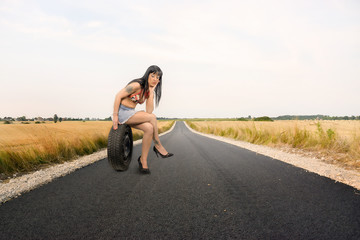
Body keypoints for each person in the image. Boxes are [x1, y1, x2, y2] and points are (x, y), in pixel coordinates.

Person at [112, 65, 173, 174]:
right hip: (122, 112)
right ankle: (158, 145)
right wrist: (115, 116)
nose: (155, 79)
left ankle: (143, 160)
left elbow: (149, 111)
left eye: (158, 77)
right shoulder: (136, 85)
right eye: (153, 76)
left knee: (149, 128)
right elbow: (118, 96)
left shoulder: (148, 90)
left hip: (131, 113)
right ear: (147, 75)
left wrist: (151, 92)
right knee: (153, 118)